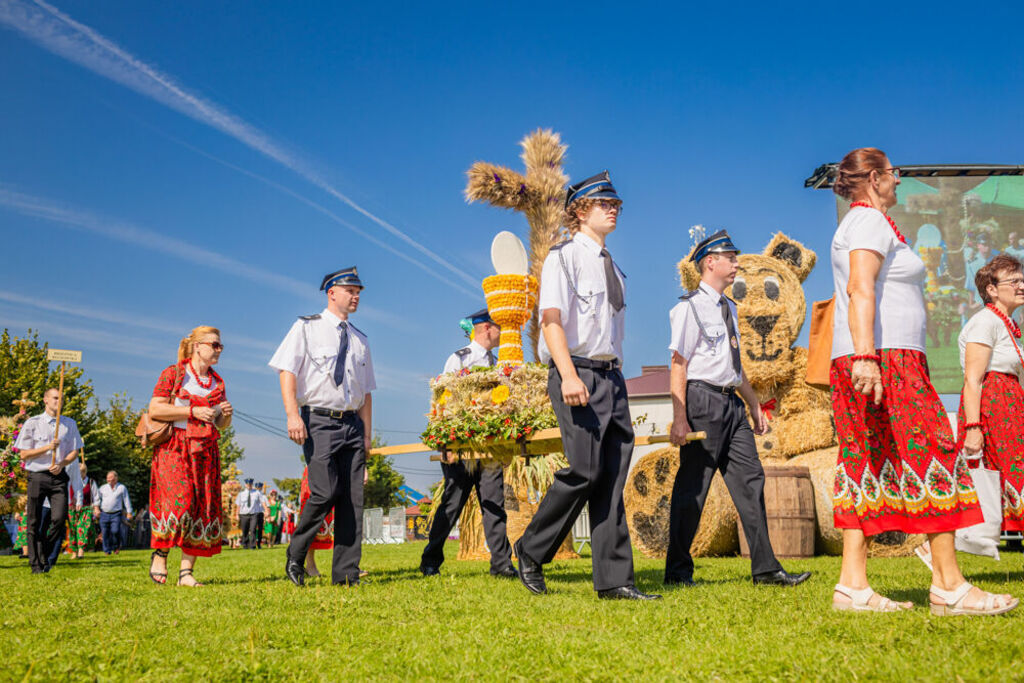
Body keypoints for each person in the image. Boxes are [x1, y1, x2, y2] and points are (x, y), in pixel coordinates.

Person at [828, 147, 1016, 615]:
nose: (898, 181)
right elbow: (860, 286)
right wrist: (868, 357)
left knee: (865, 462)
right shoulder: (868, 222)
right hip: (885, 359)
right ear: (873, 179)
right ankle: (949, 585)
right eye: (893, 174)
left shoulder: (861, 222)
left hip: (870, 356)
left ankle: (852, 586)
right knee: (936, 453)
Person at [513, 171, 659, 600]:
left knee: (612, 477)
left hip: (611, 376)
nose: (613, 208)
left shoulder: (614, 267)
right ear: (579, 211)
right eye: (603, 203)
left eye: (616, 204)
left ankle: (615, 581)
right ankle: (531, 549)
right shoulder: (564, 257)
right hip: (576, 372)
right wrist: (570, 375)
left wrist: (612, 376)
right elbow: (551, 321)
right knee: (585, 470)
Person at [664, 230, 812, 588]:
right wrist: (680, 418)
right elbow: (679, 364)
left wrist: (754, 403)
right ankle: (677, 572)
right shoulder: (688, 308)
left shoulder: (729, 307)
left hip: (731, 403)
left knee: (751, 481)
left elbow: (734, 364)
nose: (736, 263)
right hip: (701, 400)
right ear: (709, 262)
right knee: (694, 488)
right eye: (730, 257)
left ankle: (765, 568)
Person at [915, 255, 1024, 566]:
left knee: (1005, 482)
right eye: (1013, 281)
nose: (1021, 285)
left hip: (1008, 409)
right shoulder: (985, 321)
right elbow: (973, 379)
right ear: (991, 289)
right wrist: (974, 428)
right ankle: (938, 547)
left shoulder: (1006, 324)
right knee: (992, 480)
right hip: (992, 411)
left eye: (1021, 279)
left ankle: (941, 548)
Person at [270, 266, 375, 587]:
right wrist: (292, 415)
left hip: (352, 424)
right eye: (350, 290)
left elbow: (366, 392)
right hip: (318, 420)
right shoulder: (306, 328)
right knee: (325, 492)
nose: (356, 296)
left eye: (358, 291)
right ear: (331, 293)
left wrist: (367, 436)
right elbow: (287, 371)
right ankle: (296, 553)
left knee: (352, 501)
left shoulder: (360, 340)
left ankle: (346, 574)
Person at [420, 308, 516, 578]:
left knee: (494, 505)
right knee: (451, 505)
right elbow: (444, 401)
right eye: (499, 327)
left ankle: (502, 564)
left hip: (490, 448)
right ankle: (430, 561)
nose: (502, 333)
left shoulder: (497, 363)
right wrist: (447, 447)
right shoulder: (460, 358)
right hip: (461, 448)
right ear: (487, 327)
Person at [147, 325, 233, 587]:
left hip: (206, 447)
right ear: (198, 346)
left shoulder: (217, 382)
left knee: (200, 506)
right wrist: (192, 412)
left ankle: (186, 572)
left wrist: (225, 414)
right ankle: (160, 554)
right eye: (214, 345)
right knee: (178, 502)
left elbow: (222, 425)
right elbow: (155, 408)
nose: (219, 350)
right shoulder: (173, 374)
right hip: (175, 444)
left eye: (220, 346)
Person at [13, 387, 83, 574]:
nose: (58, 402)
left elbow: (74, 451)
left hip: (58, 476)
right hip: (37, 475)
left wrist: (62, 463)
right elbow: (23, 454)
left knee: (59, 519)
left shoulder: (70, 424)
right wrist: (46, 448)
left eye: (61, 399)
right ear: (45, 400)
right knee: (34, 521)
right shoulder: (32, 423)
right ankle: (36, 565)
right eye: (54, 398)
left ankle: (44, 551)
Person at [93, 470, 133, 555]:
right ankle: (107, 550)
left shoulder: (121, 488)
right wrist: (96, 509)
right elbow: (96, 498)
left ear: (116, 478)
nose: (109, 480)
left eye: (111, 478)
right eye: (108, 478)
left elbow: (126, 500)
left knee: (115, 531)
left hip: (116, 514)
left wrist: (129, 512)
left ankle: (116, 547)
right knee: (105, 532)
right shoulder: (103, 488)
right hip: (104, 513)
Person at [69, 461, 97, 558]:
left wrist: (96, 508)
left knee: (82, 528)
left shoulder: (91, 482)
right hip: (72, 509)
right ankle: (74, 551)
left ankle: (81, 551)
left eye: (81, 472)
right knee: (73, 529)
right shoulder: (70, 482)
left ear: (84, 472)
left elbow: (96, 497)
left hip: (86, 508)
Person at [235, 478, 264, 549]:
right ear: (245, 485)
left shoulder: (257, 493)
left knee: (253, 529)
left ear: (252, 484)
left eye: (250, 484)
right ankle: (245, 544)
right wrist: (237, 514)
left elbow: (263, 502)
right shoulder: (241, 494)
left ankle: (253, 545)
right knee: (245, 530)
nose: (249, 485)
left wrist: (266, 510)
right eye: (248, 484)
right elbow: (238, 505)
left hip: (254, 514)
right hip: (244, 514)